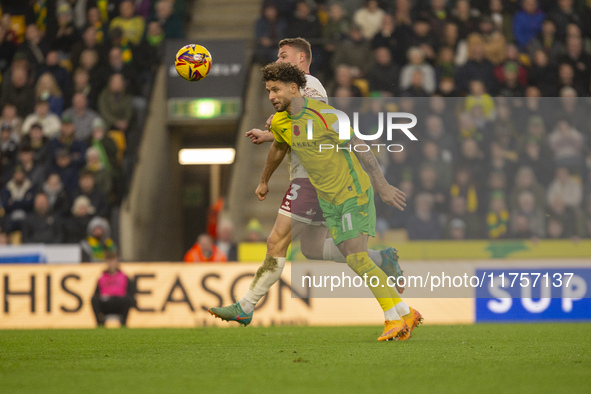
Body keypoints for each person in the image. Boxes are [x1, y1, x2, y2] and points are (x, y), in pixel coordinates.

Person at [210, 62, 421, 342]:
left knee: (357, 258)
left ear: (295, 88)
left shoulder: (326, 116)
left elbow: (360, 146)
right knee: (346, 256)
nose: (271, 96)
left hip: (352, 193)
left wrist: (381, 186)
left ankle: (393, 319)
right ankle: (406, 312)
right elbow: (278, 148)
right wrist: (264, 181)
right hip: (328, 199)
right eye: (268, 91)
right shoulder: (282, 122)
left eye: (276, 89)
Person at [91, 251, 135, 327]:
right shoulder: (101, 277)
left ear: (117, 261)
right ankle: (100, 324)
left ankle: (123, 323)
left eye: (113, 260)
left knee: (127, 299)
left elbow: (131, 293)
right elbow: (96, 294)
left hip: (119, 303)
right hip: (105, 303)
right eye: (109, 261)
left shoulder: (124, 276)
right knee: (94, 300)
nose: (111, 263)